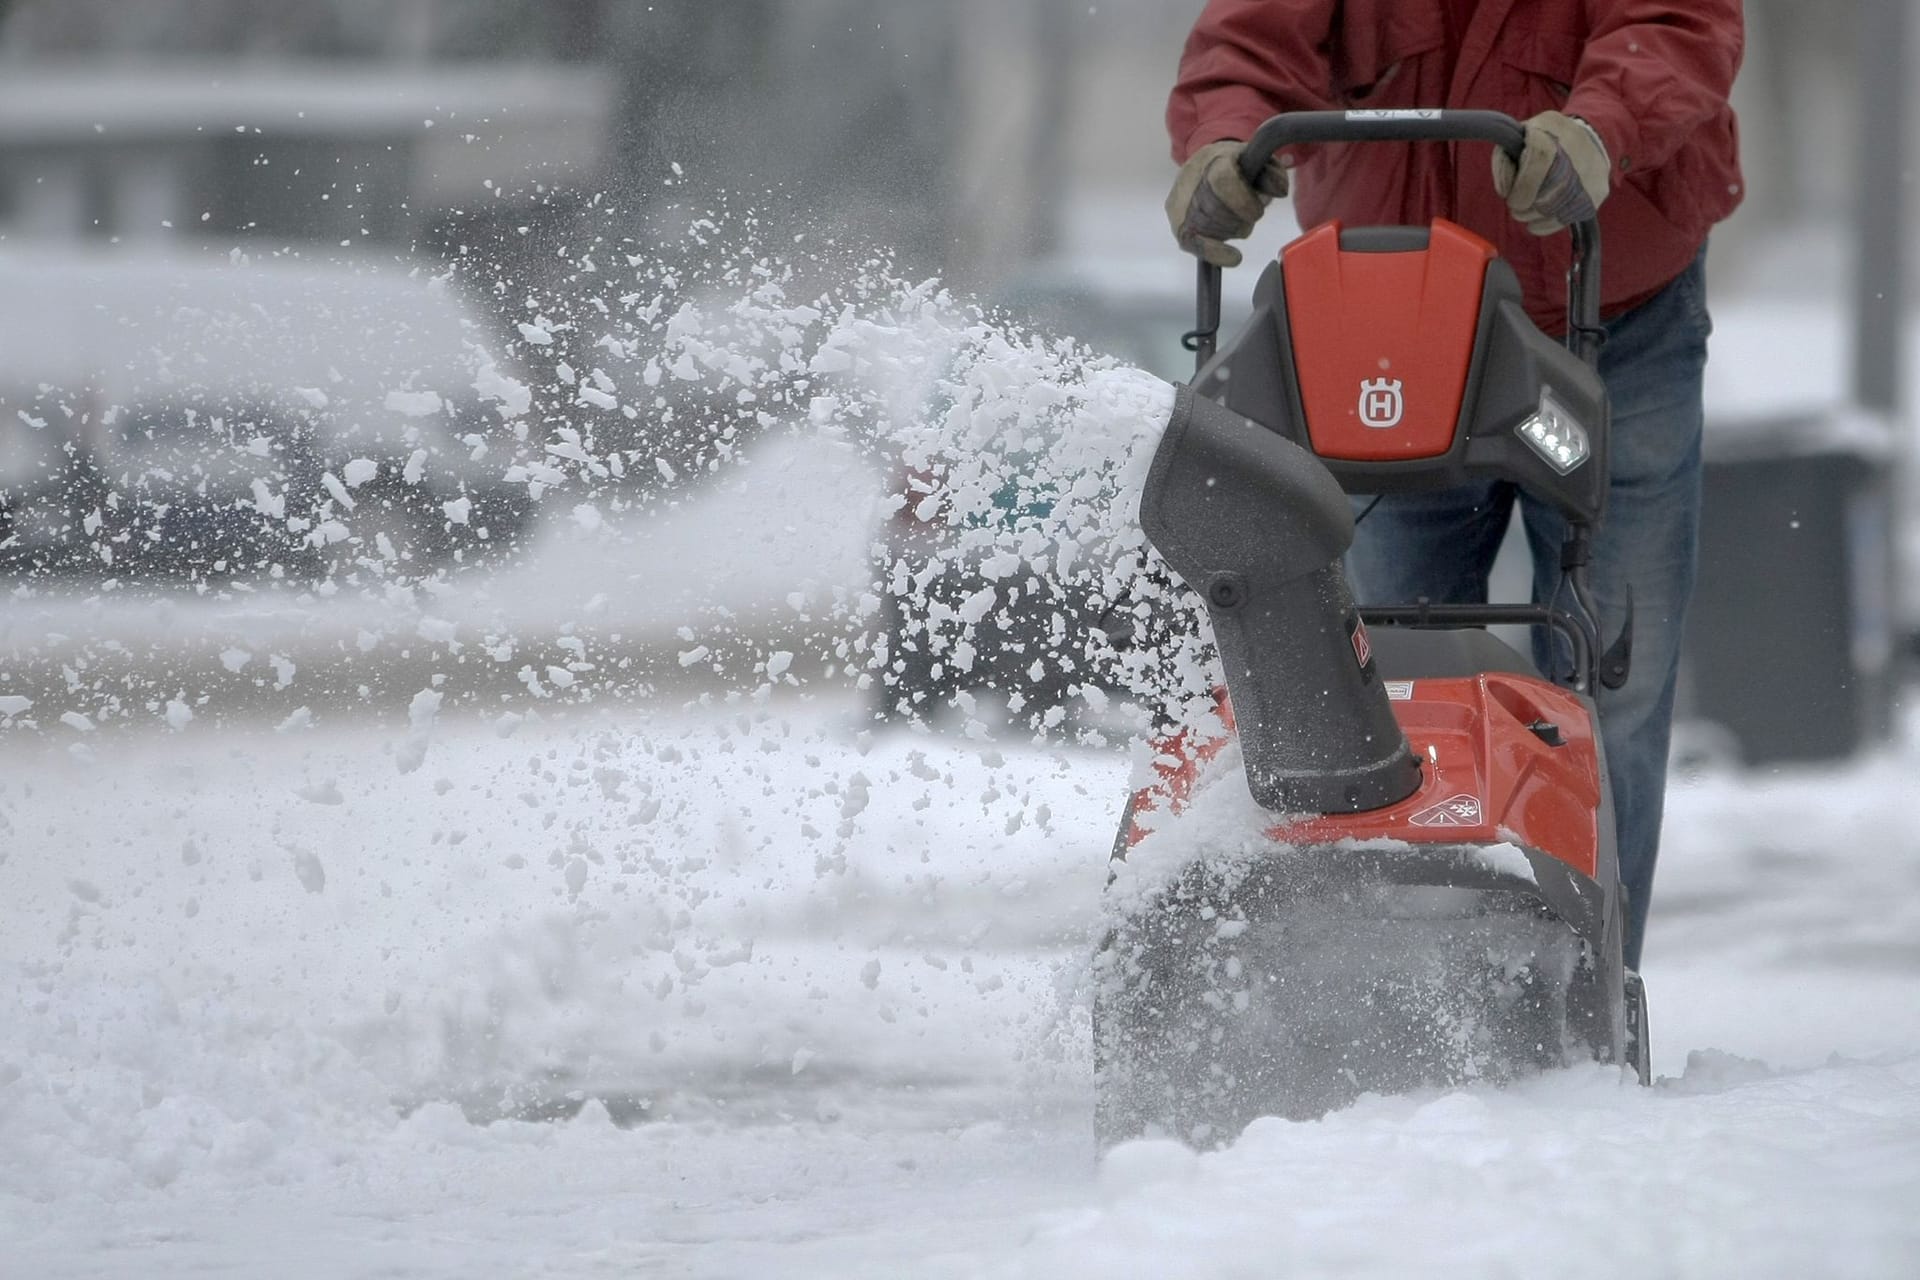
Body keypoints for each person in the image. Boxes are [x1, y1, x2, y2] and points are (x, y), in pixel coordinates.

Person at [1163, 0, 1744, 971]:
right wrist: (1224, 137)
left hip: (1616, 312)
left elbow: (1676, 23)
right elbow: (1254, 29)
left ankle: (1592, 984)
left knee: (1609, 686)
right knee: (1380, 670)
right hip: (1390, 318)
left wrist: (1601, 127)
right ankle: (1389, 975)